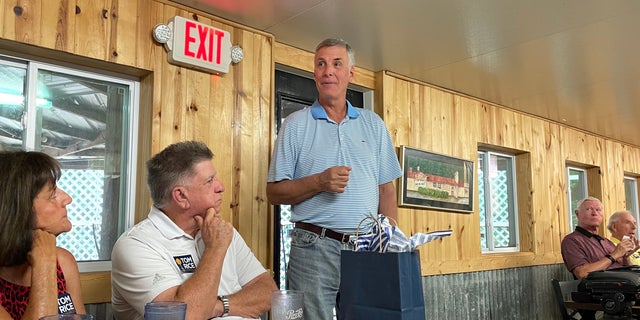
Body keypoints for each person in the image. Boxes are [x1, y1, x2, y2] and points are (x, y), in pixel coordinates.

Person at [266, 38, 402, 320]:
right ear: (315, 73)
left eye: (337, 64)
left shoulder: (373, 124)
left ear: (350, 73)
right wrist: (319, 182)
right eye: (321, 64)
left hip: (367, 246)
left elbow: (386, 190)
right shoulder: (295, 125)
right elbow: (274, 193)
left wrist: (386, 244)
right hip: (313, 247)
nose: (328, 71)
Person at [111, 141, 276, 320]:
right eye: (209, 180)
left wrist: (219, 306)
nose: (221, 187)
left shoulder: (220, 229)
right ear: (181, 196)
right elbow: (185, 317)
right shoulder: (136, 246)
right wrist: (215, 248)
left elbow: (268, 291)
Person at [0, 151, 87, 319]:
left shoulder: (63, 262)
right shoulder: (51, 261)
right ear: (19, 210)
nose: (67, 199)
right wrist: (44, 263)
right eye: (52, 194)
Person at [561, 197, 639, 320]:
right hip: (602, 300)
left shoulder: (606, 241)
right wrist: (613, 255)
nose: (594, 212)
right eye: (589, 209)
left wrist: (626, 256)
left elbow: (624, 269)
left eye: (598, 209)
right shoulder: (572, 240)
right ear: (577, 213)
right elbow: (582, 273)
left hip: (626, 292)